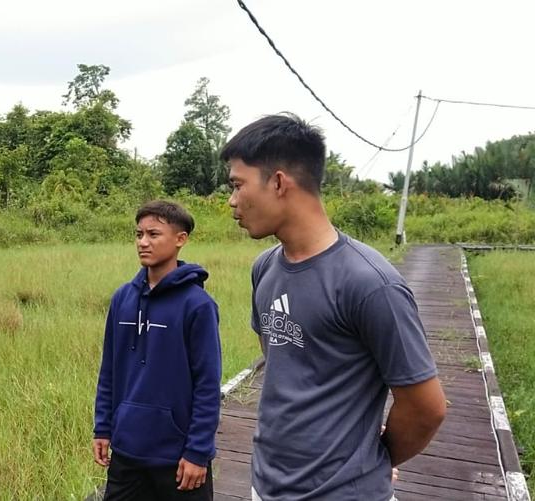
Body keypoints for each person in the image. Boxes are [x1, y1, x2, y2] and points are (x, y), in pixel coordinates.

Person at [222, 114, 446, 500]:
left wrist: (373, 459)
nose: (232, 201)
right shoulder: (265, 269)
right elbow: (282, 367)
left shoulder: (370, 283)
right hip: (266, 485)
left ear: (278, 182)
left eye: (238, 185)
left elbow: (427, 408)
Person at [93, 200, 222, 501]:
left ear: (180, 239)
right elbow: (109, 369)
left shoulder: (198, 306)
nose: (143, 242)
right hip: (126, 451)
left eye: (153, 234)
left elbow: (207, 384)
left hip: (178, 457)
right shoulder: (122, 298)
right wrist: (103, 428)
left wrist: (198, 451)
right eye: (138, 234)